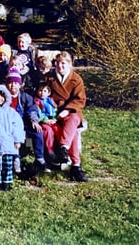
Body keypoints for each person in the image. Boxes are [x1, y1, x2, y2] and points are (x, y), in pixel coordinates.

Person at [42, 51, 88, 182]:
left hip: (71, 112)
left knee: (73, 121)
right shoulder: (48, 78)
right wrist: (52, 109)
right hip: (52, 112)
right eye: (57, 63)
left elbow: (80, 99)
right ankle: (75, 166)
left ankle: (64, 148)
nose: (60, 66)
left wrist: (67, 110)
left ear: (69, 64)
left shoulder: (76, 79)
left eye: (63, 63)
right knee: (71, 131)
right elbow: (41, 95)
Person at [6, 66, 46, 175]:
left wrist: (34, 121)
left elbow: (31, 109)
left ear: (20, 85)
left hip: (24, 123)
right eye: (10, 83)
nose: (13, 85)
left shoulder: (25, 97)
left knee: (37, 132)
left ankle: (39, 158)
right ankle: (15, 159)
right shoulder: (4, 97)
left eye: (15, 83)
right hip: (9, 125)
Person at [34, 84, 59, 163]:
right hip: (43, 121)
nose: (42, 93)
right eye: (40, 91)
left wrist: (55, 119)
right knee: (48, 131)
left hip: (52, 120)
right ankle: (50, 150)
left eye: (45, 91)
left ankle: (61, 149)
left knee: (58, 129)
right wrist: (46, 120)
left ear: (49, 93)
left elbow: (55, 111)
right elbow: (38, 113)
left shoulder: (50, 101)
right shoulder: (36, 101)